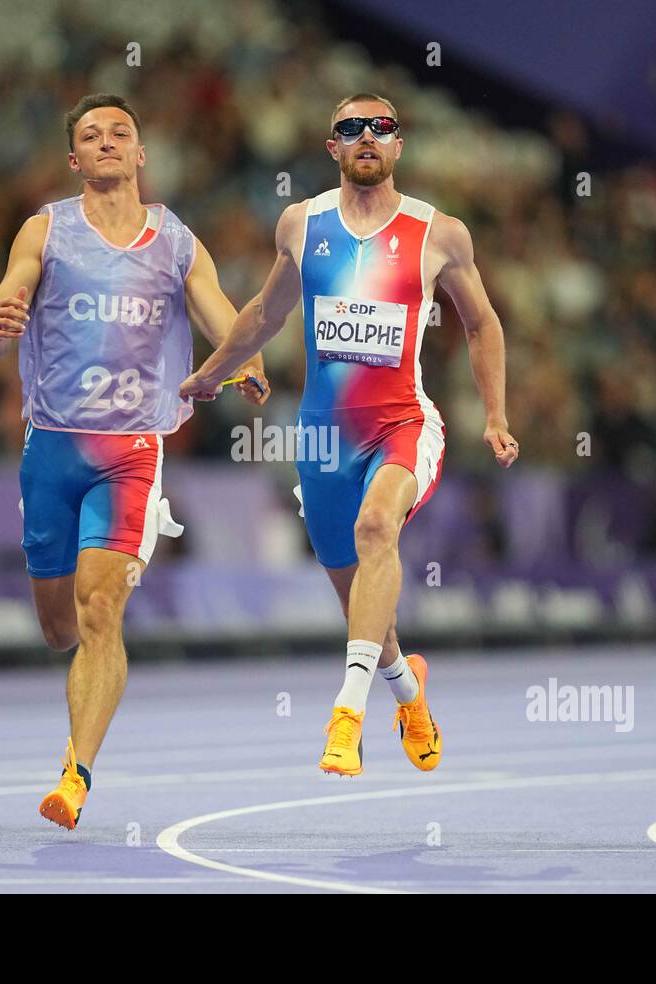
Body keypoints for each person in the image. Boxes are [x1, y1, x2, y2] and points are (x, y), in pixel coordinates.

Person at [182, 94, 519, 776]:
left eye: (381, 127)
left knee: (376, 531)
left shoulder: (439, 233)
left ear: (400, 145)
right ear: (331, 146)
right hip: (322, 441)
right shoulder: (300, 225)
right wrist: (209, 375)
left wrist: (496, 415)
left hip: (404, 425)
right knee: (363, 601)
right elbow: (263, 314)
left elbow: (481, 323)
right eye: (350, 128)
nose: (367, 136)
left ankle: (346, 715)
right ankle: (408, 692)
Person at [0, 94, 268, 829]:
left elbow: (219, 313)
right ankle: (80, 674)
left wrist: (246, 359)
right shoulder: (45, 230)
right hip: (52, 446)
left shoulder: (174, 240)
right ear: (74, 160)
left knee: (101, 610)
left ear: (140, 154)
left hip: (132, 451)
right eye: (90, 136)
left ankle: (75, 774)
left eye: (120, 133)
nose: (106, 143)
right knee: (58, 626)